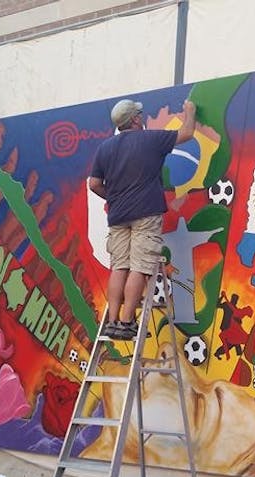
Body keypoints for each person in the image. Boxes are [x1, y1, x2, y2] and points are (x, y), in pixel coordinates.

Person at [88, 98, 197, 339]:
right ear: (135, 120)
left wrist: (113, 197)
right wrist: (189, 111)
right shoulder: (150, 140)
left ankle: (113, 321)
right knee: (139, 268)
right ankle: (127, 323)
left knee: (119, 267)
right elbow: (186, 133)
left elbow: (94, 183)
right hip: (145, 214)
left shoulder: (105, 148)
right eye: (141, 114)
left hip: (118, 217)